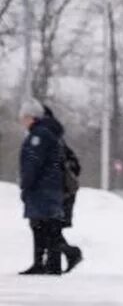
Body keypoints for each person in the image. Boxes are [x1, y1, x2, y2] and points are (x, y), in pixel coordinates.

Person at [17, 99, 82, 275]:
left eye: (24, 117)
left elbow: (32, 163)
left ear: (32, 117)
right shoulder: (51, 134)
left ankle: (64, 256)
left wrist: (26, 185)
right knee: (45, 226)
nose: (22, 121)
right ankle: (49, 264)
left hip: (42, 189)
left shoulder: (39, 136)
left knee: (45, 227)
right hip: (52, 188)